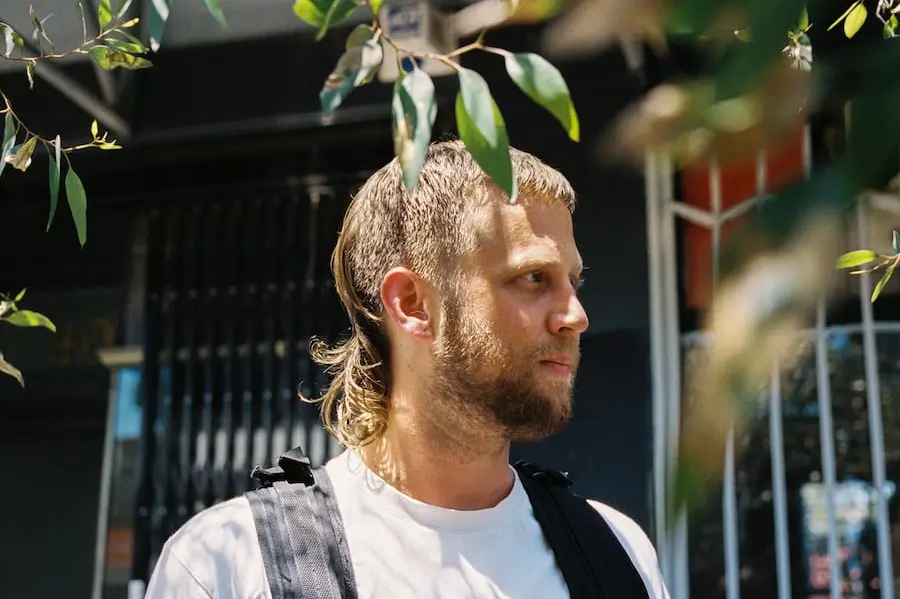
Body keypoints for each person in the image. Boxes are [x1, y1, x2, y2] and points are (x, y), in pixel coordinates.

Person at [144, 140, 671, 598]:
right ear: (414, 304)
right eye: (534, 278)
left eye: (573, 282)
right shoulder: (232, 565)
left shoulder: (616, 554)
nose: (576, 317)